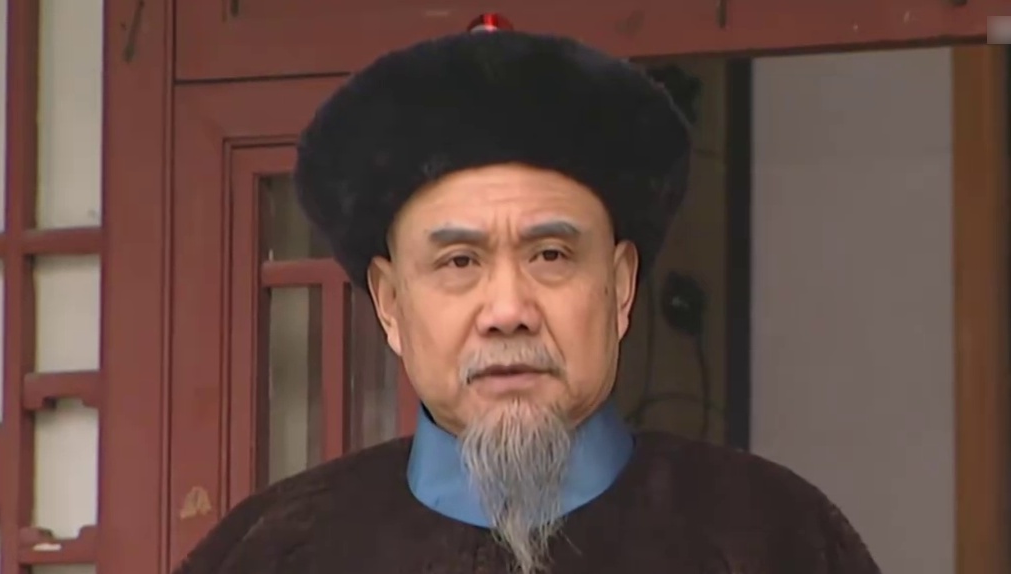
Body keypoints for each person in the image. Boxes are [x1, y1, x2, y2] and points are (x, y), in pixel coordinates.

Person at [173, 26, 881, 574]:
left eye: (551, 255)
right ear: (389, 303)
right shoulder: (270, 552)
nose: (508, 310)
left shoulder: (774, 538)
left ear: (621, 286)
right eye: (459, 262)